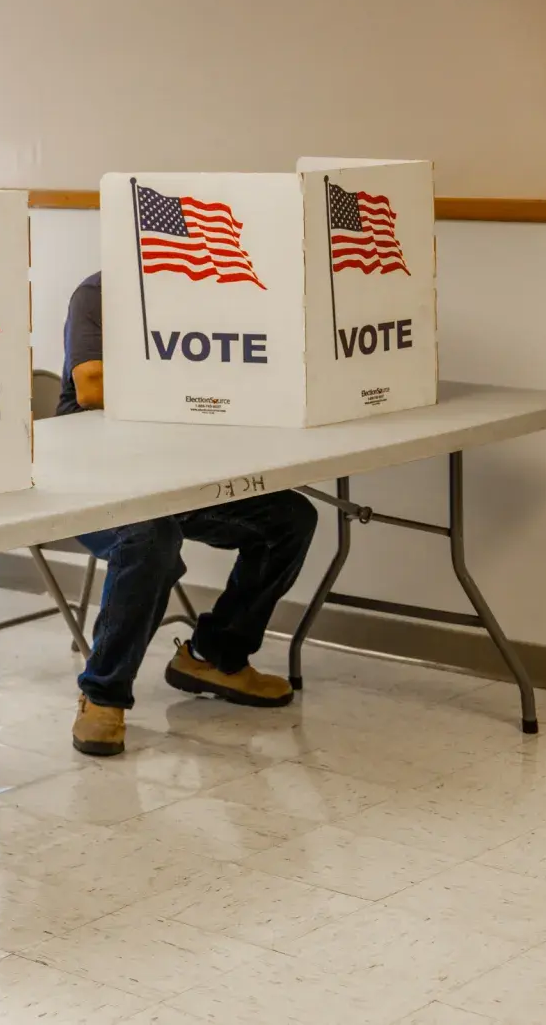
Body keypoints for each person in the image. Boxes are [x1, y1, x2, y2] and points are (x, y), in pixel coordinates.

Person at [59, 271, 317, 757]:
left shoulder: (210, 293)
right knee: (149, 537)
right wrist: (199, 380)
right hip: (94, 475)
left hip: (175, 467)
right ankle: (103, 694)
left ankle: (214, 656)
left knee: (289, 519)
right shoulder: (99, 292)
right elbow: (91, 386)